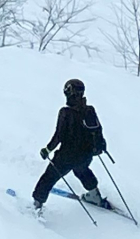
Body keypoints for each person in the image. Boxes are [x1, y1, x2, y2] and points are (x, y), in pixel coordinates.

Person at [32, 78, 107, 211]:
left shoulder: (65, 112)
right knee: (82, 170)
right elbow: (98, 130)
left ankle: (37, 203)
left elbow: (58, 136)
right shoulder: (90, 110)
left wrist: (47, 150)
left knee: (49, 177)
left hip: (66, 156)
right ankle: (95, 196)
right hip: (86, 155)